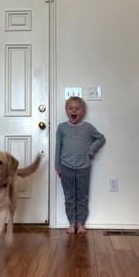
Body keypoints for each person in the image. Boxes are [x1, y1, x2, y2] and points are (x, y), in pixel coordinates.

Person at [55, 96, 105, 234]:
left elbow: (101, 138)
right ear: (66, 111)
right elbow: (58, 147)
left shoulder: (88, 128)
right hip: (66, 166)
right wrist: (57, 166)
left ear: (82, 111)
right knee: (69, 197)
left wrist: (91, 149)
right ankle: (71, 223)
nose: (74, 110)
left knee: (82, 196)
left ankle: (81, 223)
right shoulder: (61, 128)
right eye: (70, 108)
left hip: (84, 167)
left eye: (77, 108)